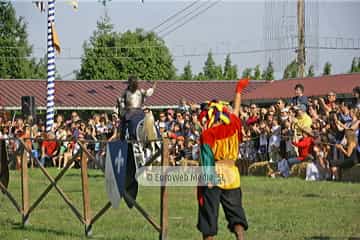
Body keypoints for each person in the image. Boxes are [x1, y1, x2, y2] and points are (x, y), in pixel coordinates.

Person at [197, 78, 249, 240]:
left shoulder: (208, 134)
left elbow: (206, 158)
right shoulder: (234, 123)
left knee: (209, 214)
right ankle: (240, 238)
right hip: (232, 174)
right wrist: (238, 90)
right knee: (235, 212)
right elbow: (237, 110)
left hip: (214, 174)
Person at [118, 76, 157, 140]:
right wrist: (153, 87)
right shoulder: (138, 91)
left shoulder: (126, 92)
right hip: (139, 113)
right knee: (150, 121)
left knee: (123, 124)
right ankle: (157, 135)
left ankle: (122, 139)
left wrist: (153, 87)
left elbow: (121, 103)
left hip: (130, 113)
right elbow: (148, 93)